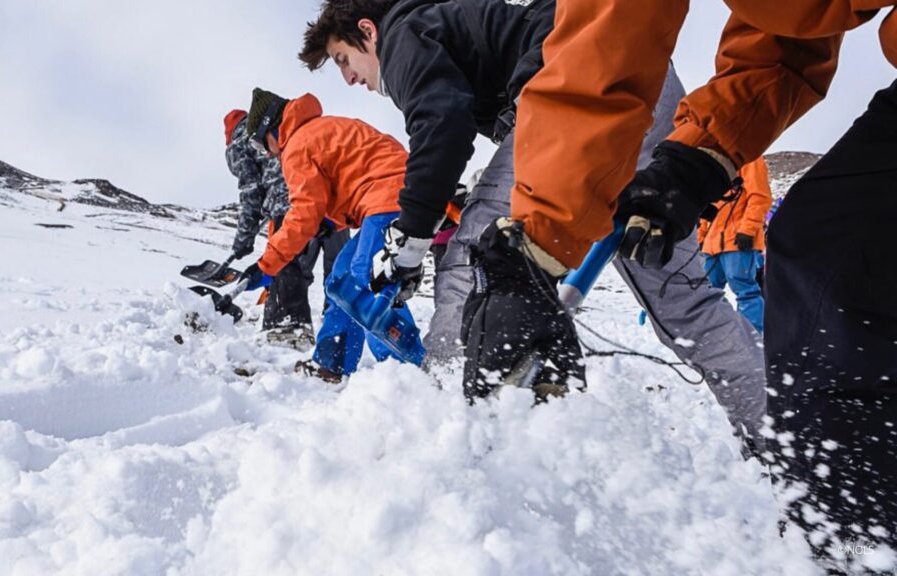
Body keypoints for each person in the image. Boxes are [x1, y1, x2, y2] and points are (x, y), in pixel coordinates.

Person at [491, 0, 896, 562]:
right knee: (826, 255)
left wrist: (537, 245)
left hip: (737, 240)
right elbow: (789, 28)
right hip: (718, 225)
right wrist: (696, 159)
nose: (349, 79)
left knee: (831, 267)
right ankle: (845, 533)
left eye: (345, 61)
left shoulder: (417, 40)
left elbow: (607, 51)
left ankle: (852, 547)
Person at [299, 0, 766, 439]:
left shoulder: (403, 35)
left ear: (367, 31)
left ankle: (444, 411)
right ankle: (782, 438)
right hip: (644, 77)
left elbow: (442, 125)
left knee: (477, 246)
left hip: (587, 84)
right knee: (684, 304)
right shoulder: (457, 21)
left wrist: (413, 237)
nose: (348, 78)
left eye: (343, 59)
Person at [237, 88, 422, 383]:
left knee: (367, 285)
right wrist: (330, 223)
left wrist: (266, 266)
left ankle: (409, 372)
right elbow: (346, 180)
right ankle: (331, 364)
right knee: (341, 280)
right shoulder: (316, 130)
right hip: (388, 198)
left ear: (270, 129)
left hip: (388, 200)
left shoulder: (297, 145)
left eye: (262, 146)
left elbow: (304, 212)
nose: (268, 153)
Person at [223, 110, 349, 349]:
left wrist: (243, 240)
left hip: (291, 202)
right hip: (332, 202)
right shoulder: (275, 128)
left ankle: (287, 325)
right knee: (339, 268)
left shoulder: (238, 144)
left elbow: (251, 191)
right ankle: (337, 328)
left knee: (287, 263)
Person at [697, 157, 772, 333]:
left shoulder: (752, 160)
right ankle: (722, 331)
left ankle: (754, 337)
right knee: (707, 292)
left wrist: (748, 230)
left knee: (745, 291)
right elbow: (709, 209)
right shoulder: (721, 164)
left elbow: (760, 197)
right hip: (711, 245)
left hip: (737, 242)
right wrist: (701, 237)